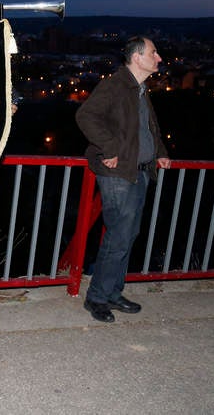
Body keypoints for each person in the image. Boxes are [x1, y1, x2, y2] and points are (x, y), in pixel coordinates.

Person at [75, 36, 171, 323]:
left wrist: (160, 152)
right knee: (118, 236)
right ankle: (97, 297)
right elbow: (86, 116)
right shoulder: (115, 85)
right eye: (154, 53)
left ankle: (114, 292)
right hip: (118, 173)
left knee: (128, 235)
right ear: (137, 57)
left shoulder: (139, 88)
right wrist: (110, 148)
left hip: (138, 170)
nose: (159, 58)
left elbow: (148, 127)